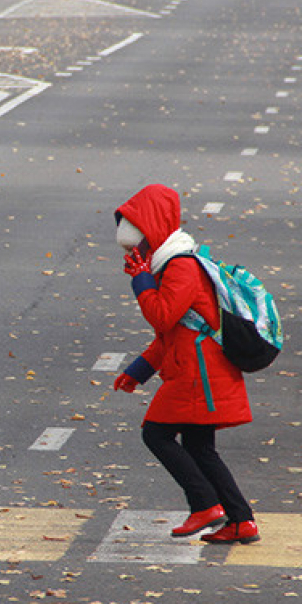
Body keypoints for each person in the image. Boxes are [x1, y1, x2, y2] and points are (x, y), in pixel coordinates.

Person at [111, 184, 259, 544]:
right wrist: (140, 371)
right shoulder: (170, 264)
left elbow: (162, 318)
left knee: (156, 433)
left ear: (153, 232)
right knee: (199, 448)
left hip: (199, 375)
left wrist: (141, 281)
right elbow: (171, 335)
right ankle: (240, 521)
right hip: (197, 369)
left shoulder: (181, 268)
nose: (135, 251)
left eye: (137, 243)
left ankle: (205, 506)